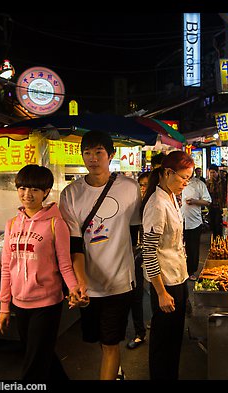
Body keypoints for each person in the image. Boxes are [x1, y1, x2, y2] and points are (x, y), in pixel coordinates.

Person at [59, 130, 142, 380]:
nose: (93, 158)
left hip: (120, 281)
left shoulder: (129, 187)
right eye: (87, 153)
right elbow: (74, 244)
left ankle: (112, 371)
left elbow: (133, 231)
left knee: (110, 343)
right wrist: (80, 283)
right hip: (89, 284)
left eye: (99, 152)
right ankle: (116, 369)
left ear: (111, 155)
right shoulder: (70, 194)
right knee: (98, 339)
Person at [0, 164, 86, 381]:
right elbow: (7, 267)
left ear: (46, 192)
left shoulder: (56, 224)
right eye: (23, 188)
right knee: (41, 356)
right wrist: (4, 306)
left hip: (47, 303)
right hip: (20, 302)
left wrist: (75, 289)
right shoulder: (11, 225)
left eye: (35, 190)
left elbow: (65, 264)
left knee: (33, 365)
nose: (27, 194)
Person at [141, 150, 194, 380]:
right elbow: (149, 252)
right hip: (165, 283)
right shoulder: (156, 205)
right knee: (163, 344)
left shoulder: (171, 196)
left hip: (178, 276)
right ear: (167, 172)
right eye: (183, 178)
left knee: (174, 340)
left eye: (188, 179)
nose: (185, 183)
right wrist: (161, 292)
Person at [127, 171, 150, 350]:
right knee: (136, 293)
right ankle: (139, 332)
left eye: (147, 185)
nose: (143, 188)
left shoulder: (158, 203)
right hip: (134, 254)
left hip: (154, 255)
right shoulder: (132, 205)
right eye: (141, 185)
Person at [181, 170, 211, 281]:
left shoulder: (199, 184)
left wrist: (195, 201)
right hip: (179, 220)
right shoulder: (177, 182)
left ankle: (191, 271)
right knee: (178, 248)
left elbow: (207, 201)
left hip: (194, 222)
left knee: (192, 248)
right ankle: (181, 271)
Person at [206, 164, 226, 240]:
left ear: (217, 172)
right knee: (213, 225)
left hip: (220, 206)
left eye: (213, 172)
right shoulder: (208, 183)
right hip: (211, 207)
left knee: (218, 225)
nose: (212, 174)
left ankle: (219, 240)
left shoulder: (223, 181)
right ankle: (215, 240)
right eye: (210, 173)